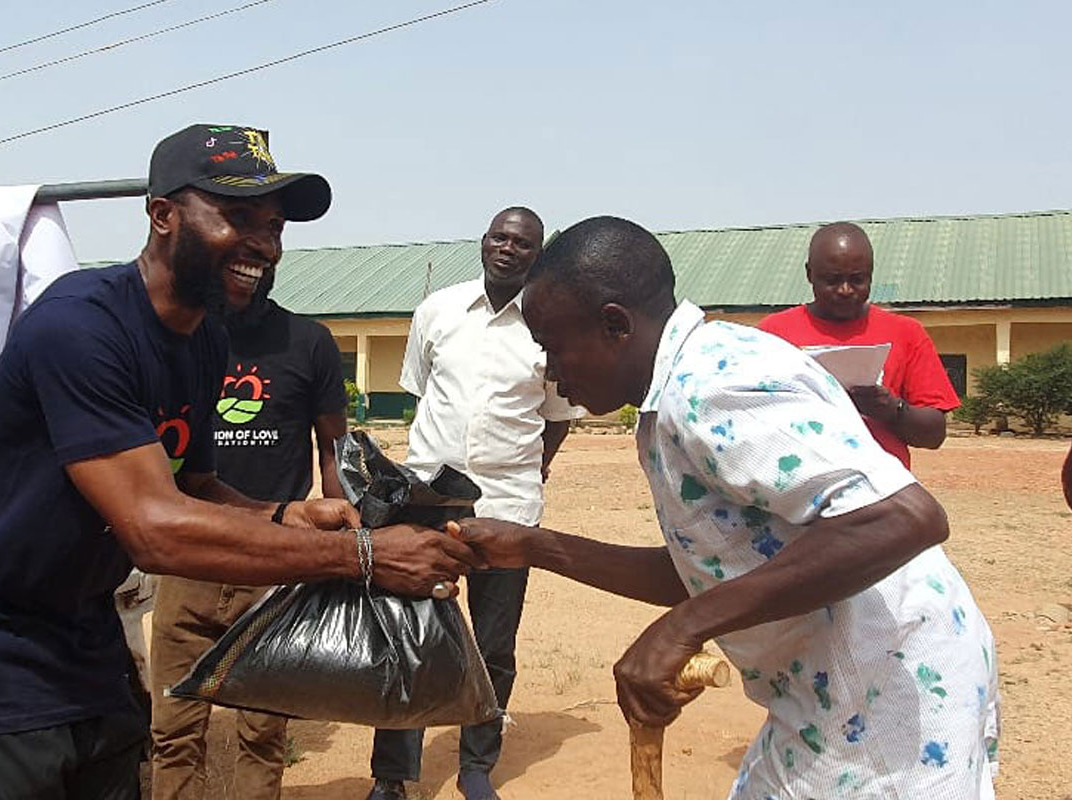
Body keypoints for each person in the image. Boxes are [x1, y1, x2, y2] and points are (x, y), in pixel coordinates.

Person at [0, 123, 482, 800]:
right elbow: (153, 528)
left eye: (274, 225)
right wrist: (367, 558)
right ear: (162, 215)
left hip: (84, 644)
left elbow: (194, 486)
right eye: (237, 217)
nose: (263, 243)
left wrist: (289, 514)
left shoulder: (202, 342)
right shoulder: (81, 327)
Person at [456, 217, 1000, 799]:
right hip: (829, 692)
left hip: (888, 689)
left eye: (552, 347)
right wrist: (532, 545)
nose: (549, 371)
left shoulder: (710, 385)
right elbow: (711, 570)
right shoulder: (669, 399)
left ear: (614, 325)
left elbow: (904, 518)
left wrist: (680, 631)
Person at [367, 207, 585, 800]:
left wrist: (527, 472)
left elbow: (556, 421)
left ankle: (476, 766)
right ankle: (393, 776)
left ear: (538, 255)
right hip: (427, 500)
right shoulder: (436, 311)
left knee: (493, 643)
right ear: (483, 242)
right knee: (409, 635)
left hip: (508, 507)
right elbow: (421, 392)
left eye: (522, 243)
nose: (508, 249)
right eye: (499, 237)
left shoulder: (549, 326)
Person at [149, 260, 350, 799]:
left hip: (272, 570)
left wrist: (350, 544)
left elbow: (335, 450)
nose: (249, 267)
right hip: (189, 561)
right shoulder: (180, 343)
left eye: (265, 255)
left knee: (263, 733)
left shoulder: (310, 343)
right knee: (173, 732)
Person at [758, 222, 959, 469]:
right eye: (832, 280)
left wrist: (893, 411)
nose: (845, 290)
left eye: (857, 279)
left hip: (879, 491)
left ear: (871, 274)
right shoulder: (772, 334)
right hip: (797, 490)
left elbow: (933, 435)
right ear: (809, 274)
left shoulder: (906, 333)